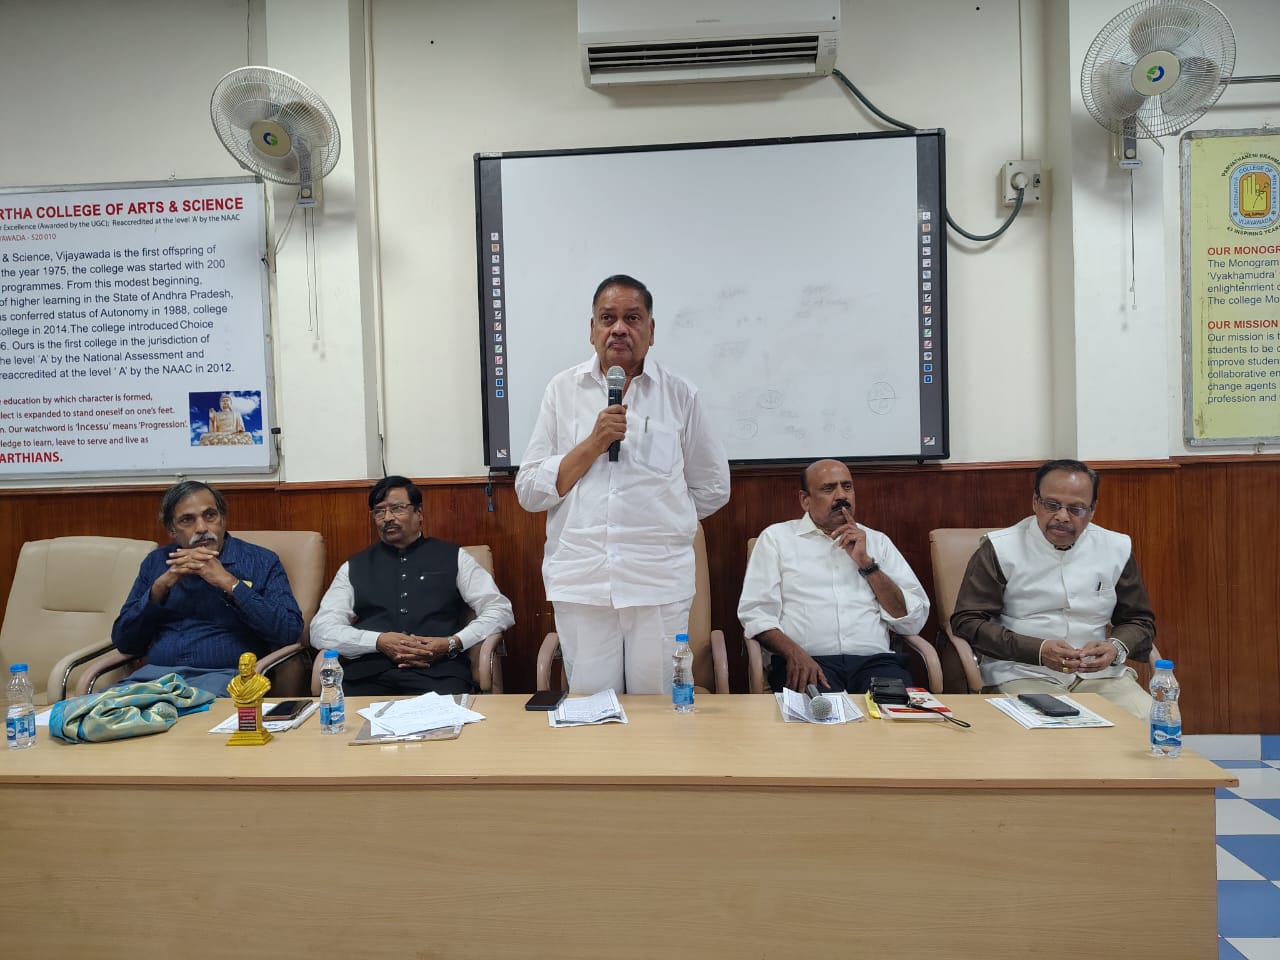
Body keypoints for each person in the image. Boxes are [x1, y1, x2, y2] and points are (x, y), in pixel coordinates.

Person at [516, 274, 730, 694]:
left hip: (658, 583)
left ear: (651, 330)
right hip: (583, 580)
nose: (619, 328)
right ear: (592, 329)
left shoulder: (681, 395)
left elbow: (713, 487)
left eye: (632, 318)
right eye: (607, 318)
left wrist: (663, 521)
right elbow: (529, 491)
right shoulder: (562, 391)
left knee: (658, 707)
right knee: (594, 709)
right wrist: (593, 443)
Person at [950, 458, 1156, 718]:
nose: (1062, 516)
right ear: (1035, 502)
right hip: (1022, 671)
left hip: (1101, 675)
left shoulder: (1116, 547)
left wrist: (1116, 647)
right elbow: (967, 622)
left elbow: (1139, 620)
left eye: (1076, 509)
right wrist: (1037, 650)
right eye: (1052, 505)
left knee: (1151, 720)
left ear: (1093, 510)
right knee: (1047, 727)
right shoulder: (1000, 548)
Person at [310, 476, 515, 696]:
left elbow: (499, 610)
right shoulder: (354, 566)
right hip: (368, 675)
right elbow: (321, 629)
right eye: (379, 511)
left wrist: (452, 642)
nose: (387, 518)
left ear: (419, 513)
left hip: (439, 673)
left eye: (397, 508)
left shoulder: (454, 557)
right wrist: (378, 641)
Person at [738, 459, 929, 694]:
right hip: (808, 662)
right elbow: (756, 614)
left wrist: (867, 565)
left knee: (898, 713)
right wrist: (794, 654)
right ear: (805, 500)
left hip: (875, 663)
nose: (841, 496)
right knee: (822, 714)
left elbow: (912, 620)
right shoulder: (776, 539)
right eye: (828, 489)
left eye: (847, 487)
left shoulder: (877, 541)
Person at [111, 480, 304, 696]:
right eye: (187, 520)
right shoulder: (156, 562)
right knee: (93, 712)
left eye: (210, 515)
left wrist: (230, 583)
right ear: (172, 529)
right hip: (155, 682)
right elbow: (125, 642)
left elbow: (288, 631)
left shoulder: (261, 561)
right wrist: (159, 589)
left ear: (223, 519)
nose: (202, 528)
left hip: (226, 681)